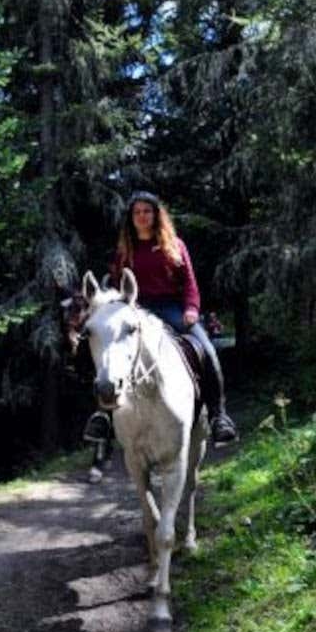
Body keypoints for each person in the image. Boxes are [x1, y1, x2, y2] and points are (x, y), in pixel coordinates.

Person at [83, 190, 238, 448]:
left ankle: (218, 417)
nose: (142, 216)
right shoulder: (124, 251)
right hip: (136, 311)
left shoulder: (175, 245)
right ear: (131, 218)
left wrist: (191, 308)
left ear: (156, 215)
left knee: (208, 351)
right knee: (108, 352)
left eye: (147, 211)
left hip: (172, 308)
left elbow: (190, 283)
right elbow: (119, 290)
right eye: (137, 212)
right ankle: (104, 416)